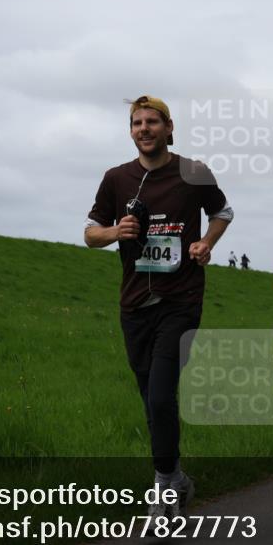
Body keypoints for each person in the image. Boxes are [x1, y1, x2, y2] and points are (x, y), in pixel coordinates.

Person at [84, 95, 233, 521]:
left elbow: (222, 211)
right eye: (137, 123)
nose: (144, 129)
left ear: (170, 128)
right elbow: (90, 233)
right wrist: (116, 230)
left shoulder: (192, 172)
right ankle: (178, 478)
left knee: (162, 395)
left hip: (181, 300)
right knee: (152, 401)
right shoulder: (116, 179)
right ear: (130, 131)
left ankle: (164, 493)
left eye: (153, 122)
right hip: (134, 305)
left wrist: (206, 243)